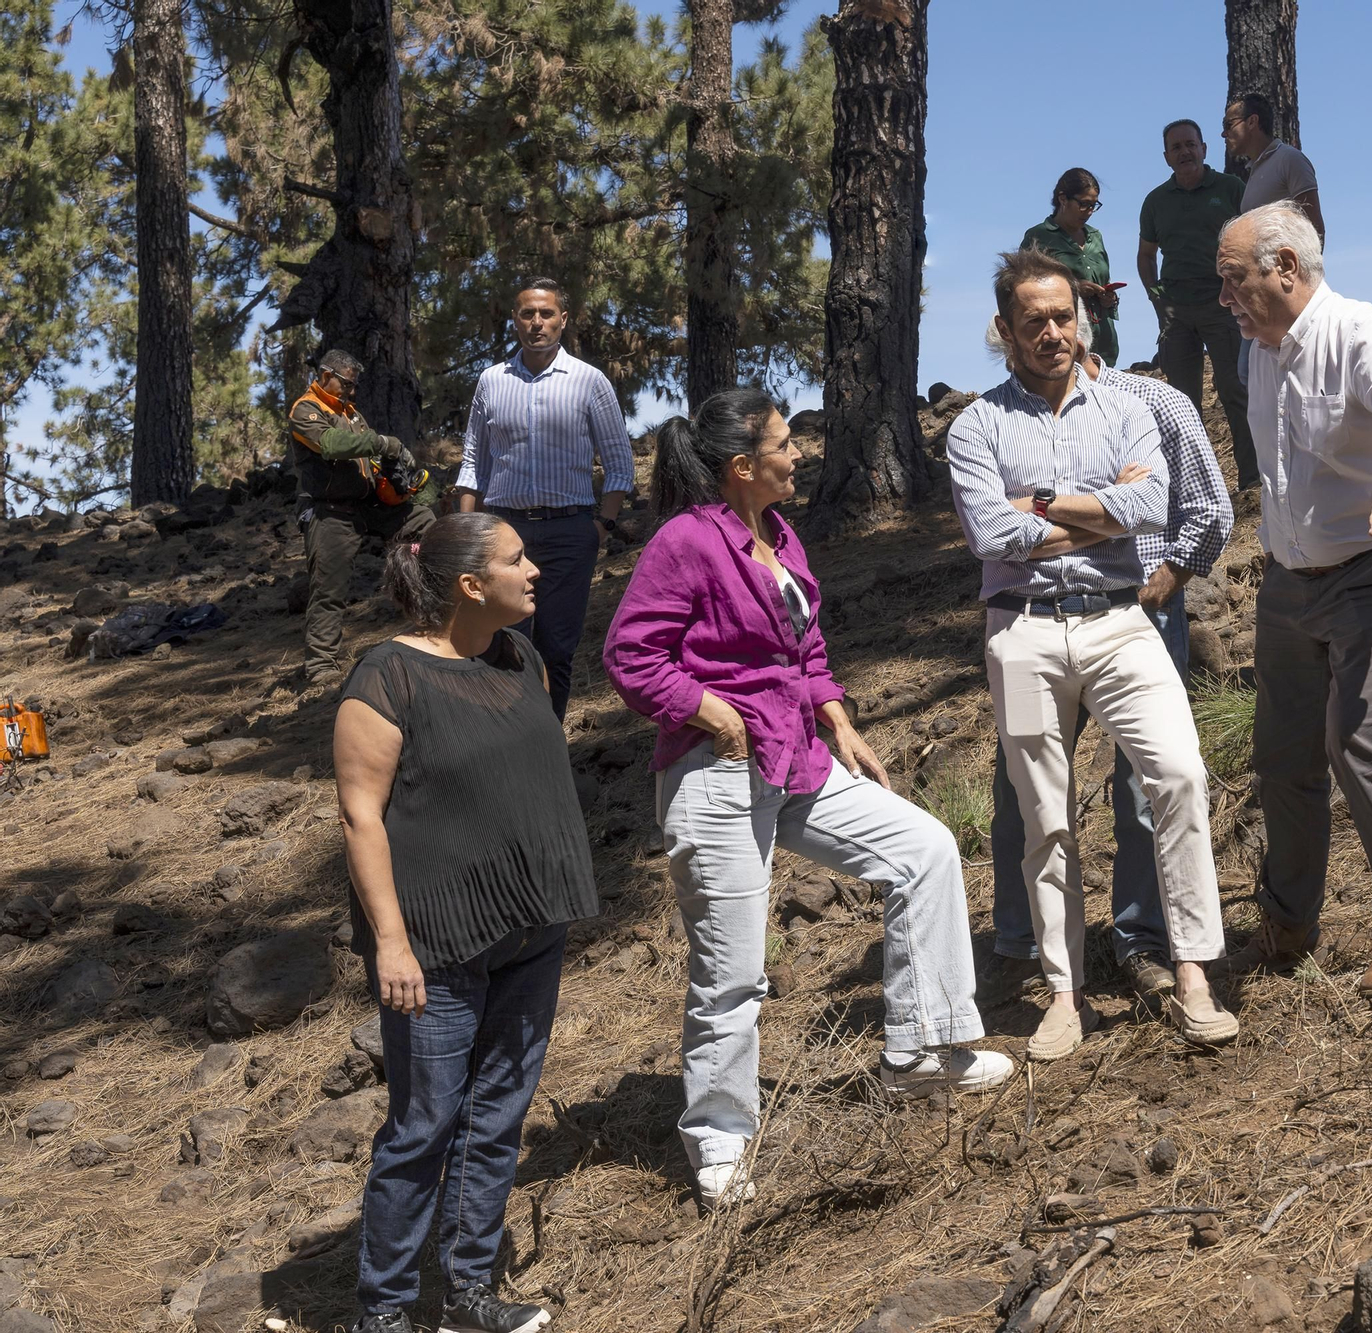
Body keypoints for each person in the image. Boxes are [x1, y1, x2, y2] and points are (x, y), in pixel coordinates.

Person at [603, 388, 1014, 1209]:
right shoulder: (687, 541)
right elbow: (630, 654)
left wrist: (838, 715)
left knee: (924, 850)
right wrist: (710, 709)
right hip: (717, 775)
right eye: (785, 446)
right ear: (743, 465)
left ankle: (920, 1053)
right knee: (733, 968)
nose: (800, 457)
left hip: (796, 757)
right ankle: (719, 1136)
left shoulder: (779, 532)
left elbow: (807, 642)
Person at [948, 248, 1238, 1061]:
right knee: (1045, 814)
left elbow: (1151, 504)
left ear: (1084, 320)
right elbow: (988, 533)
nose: (1052, 332)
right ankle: (1064, 992)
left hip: (1119, 618)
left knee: (1178, 774)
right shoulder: (976, 425)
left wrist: (1036, 503)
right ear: (1005, 330)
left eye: (1063, 317)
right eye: (1033, 320)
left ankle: (1191, 971)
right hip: (1023, 625)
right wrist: (1098, 513)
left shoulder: (1128, 407)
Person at [333, 511, 601, 1333]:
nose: (535, 571)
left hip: (529, 928)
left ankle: (467, 1293)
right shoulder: (385, 679)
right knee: (423, 1126)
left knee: (496, 1118)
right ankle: (383, 1312)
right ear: (469, 585)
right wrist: (390, 943)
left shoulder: (520, 658)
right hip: (435, 947)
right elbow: (360, 818)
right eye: (516, 559)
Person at [1216, 201, 1372, 997]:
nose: (1227, 299)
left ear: (1287, 269)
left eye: (1235, 279)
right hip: (1289, 582)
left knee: (1357, 734)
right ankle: (1289, 920)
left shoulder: (1362, 331)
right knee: (1283, 754)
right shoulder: (1259, 352)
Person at [457, 277, 637, 718]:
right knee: (499, 640)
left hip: (570, 533)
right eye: (527, 313)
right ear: (514, 320)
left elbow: (619, 462)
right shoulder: (491, 381)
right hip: (503, 531)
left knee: (556, 646)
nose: (537, 322)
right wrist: (466, 533)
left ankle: (548, 745)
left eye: (546, 313)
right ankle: (503, 740)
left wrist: (602, 525)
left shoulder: (589, 381)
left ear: (563, 320)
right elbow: (472, 463)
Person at [290, 349, 440, 687]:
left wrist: (394, 477)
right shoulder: (306, 410)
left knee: (423, 520)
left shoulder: (352, 414)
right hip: (330, 511)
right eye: (346, 383)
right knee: (329, 589)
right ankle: (321, 666)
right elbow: (331, 444)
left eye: (354, 385)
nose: (351, 391)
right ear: (325, 374)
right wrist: (383, 443)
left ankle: (434, 612)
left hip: (367, 504)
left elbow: (368, 457)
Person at [1138, 120, 1256, 489]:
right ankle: (1196, 486)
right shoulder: (1156, 201)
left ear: (1204, 148)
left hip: (1223, 303)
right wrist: (1156, 296)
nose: (1184, 152)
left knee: (1236, 390)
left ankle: (1252, 482)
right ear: (1166, 157)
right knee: (1181, 403)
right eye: (1176, 147)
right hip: (1176, 308)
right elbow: (1146, 254)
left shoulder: (1231, 188)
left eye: (1190, 144)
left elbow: (1253, 239)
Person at [1021, 168, 1121, 367]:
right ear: (1063, 199)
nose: (1089, 212)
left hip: (1104, 345)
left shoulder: (1095, 236)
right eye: (1084, 204)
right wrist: (1073, 289)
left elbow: (1104, 278)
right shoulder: (1038, 237)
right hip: (1062, 345)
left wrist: (1109, 298)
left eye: (1094, 205)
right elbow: (1024, 292)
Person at [1221, 92, 1325, 236]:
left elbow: (1316, 230)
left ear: (1252, 121)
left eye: (1228, 125)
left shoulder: (1290, 159)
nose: (1223, 134)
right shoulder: (1255, 170)